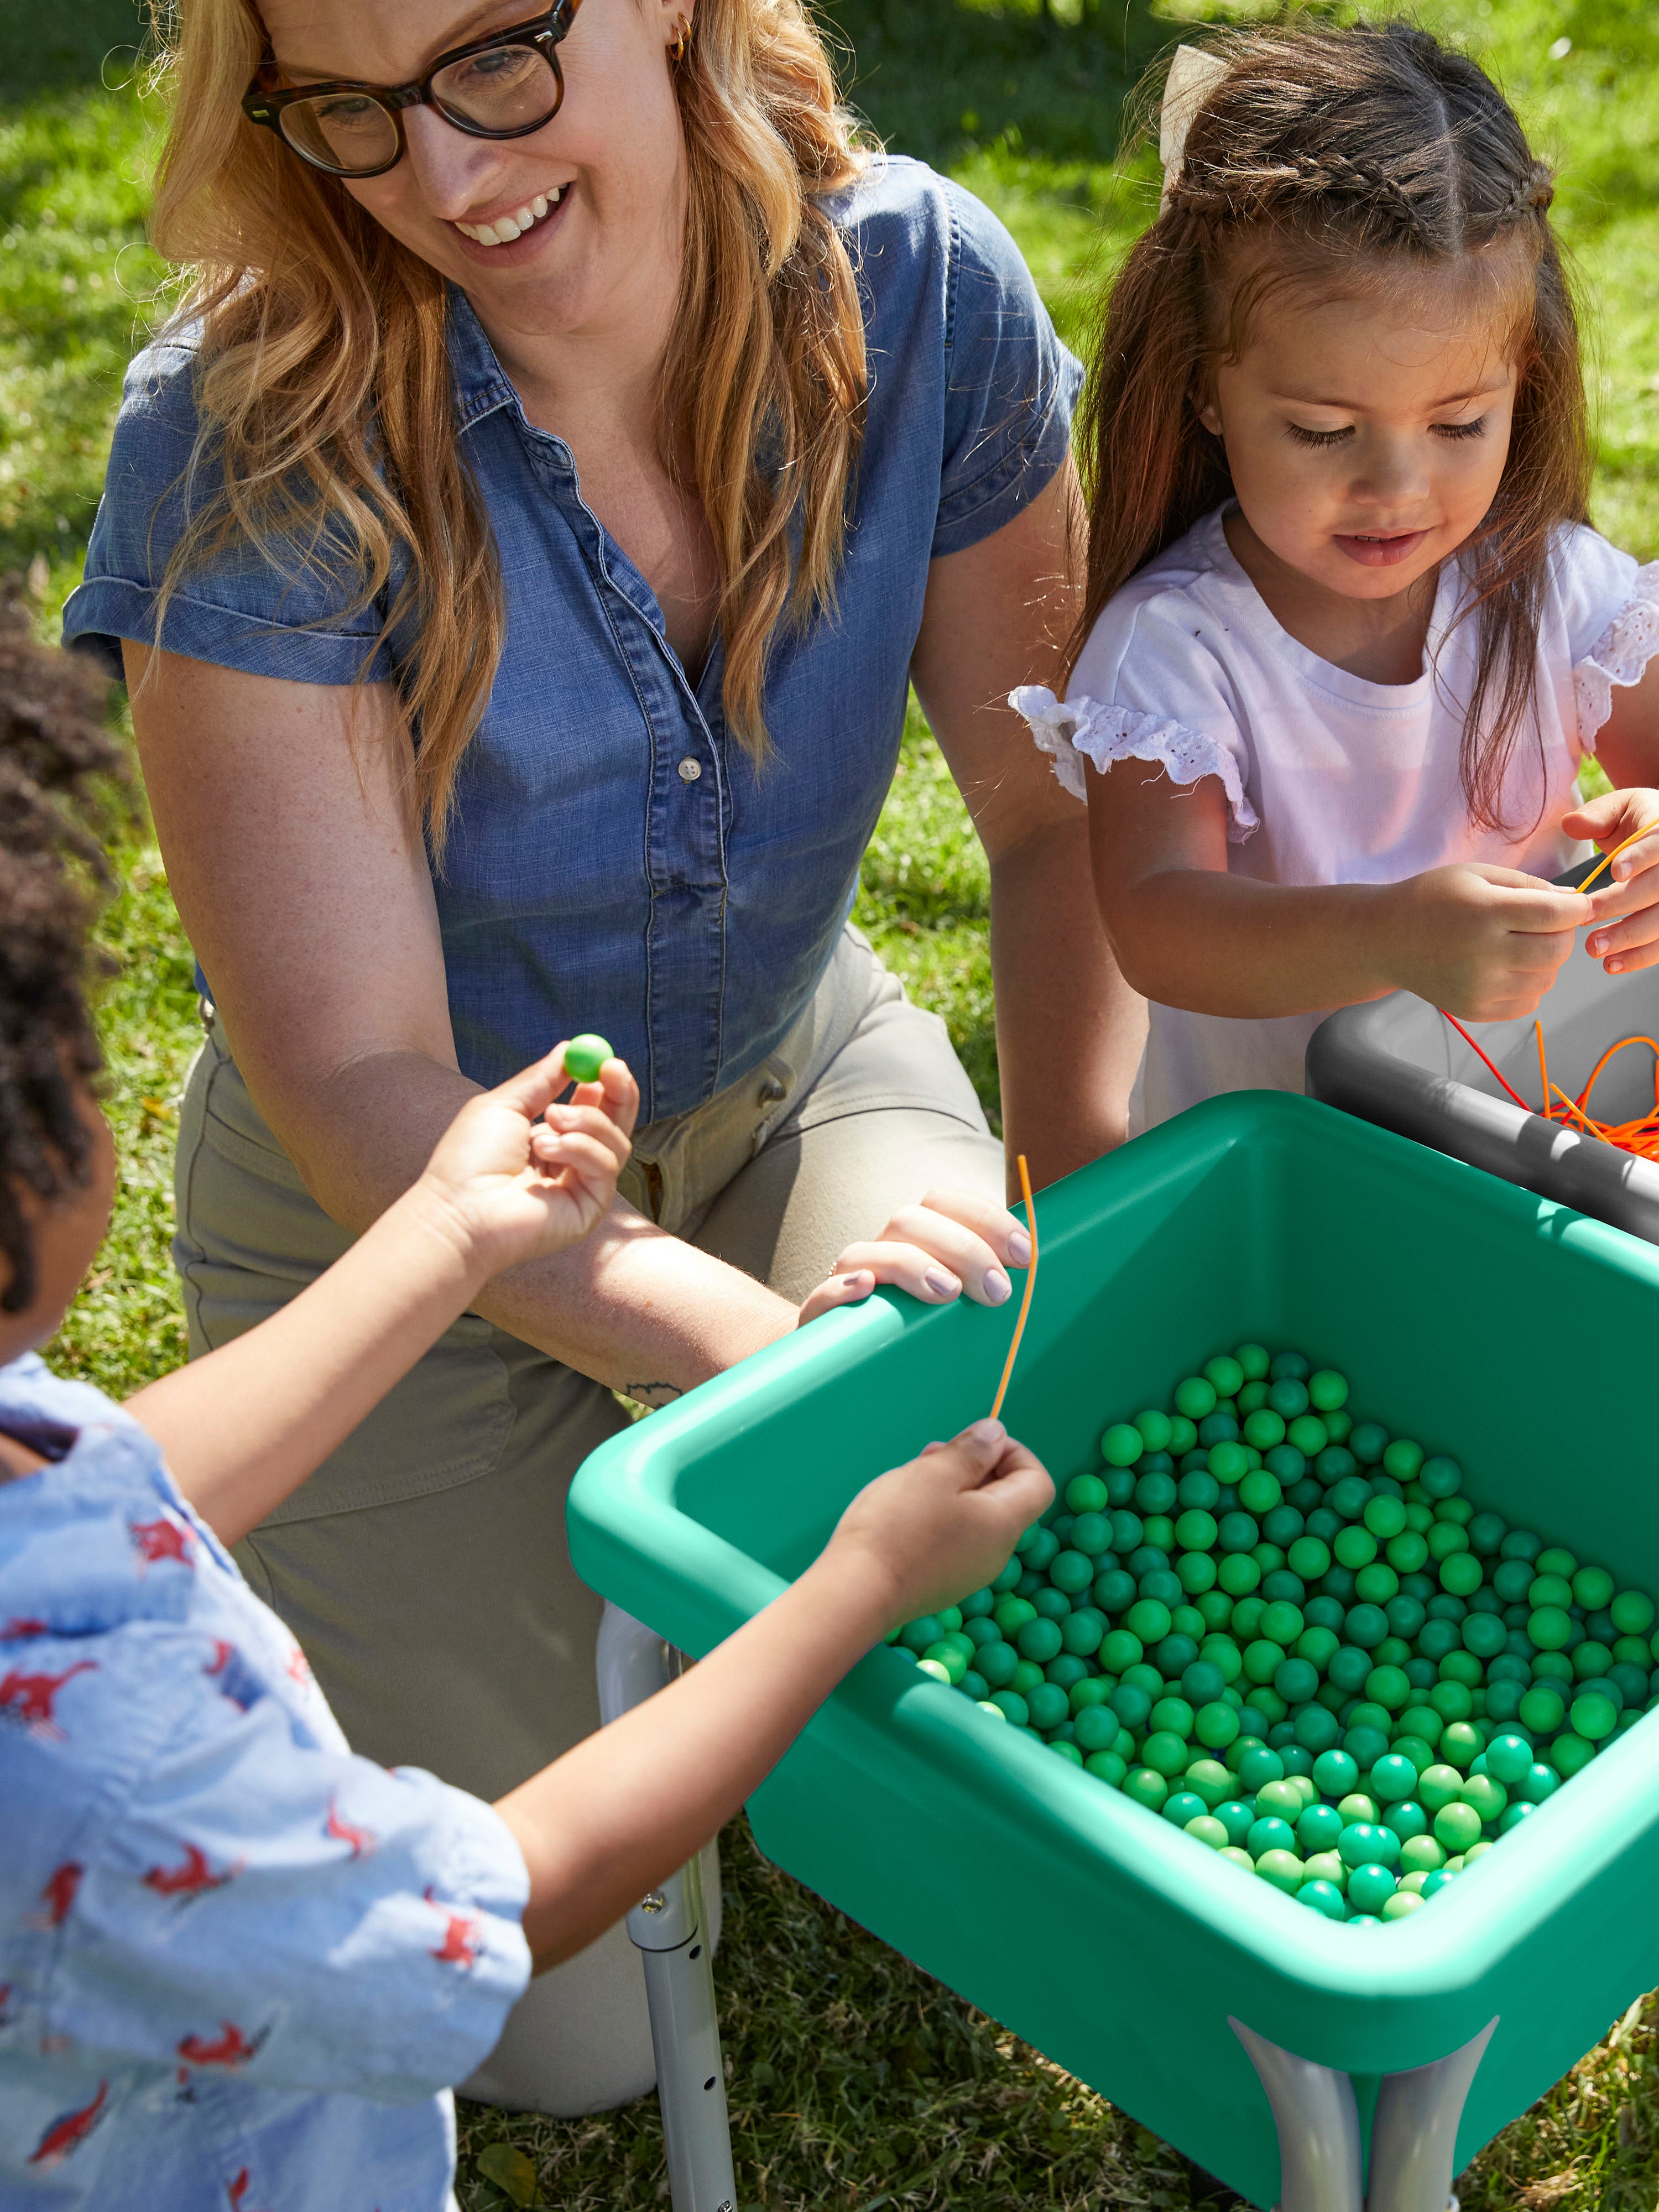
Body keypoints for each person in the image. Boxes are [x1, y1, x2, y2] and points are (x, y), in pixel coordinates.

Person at [61, 0, 1141, 2107]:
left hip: (783, 1078)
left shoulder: (923, 287)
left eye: (495, 59)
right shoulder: (243, 429)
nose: (447, 177)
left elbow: (1052, 818)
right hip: (394, 1225)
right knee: (567, 2039)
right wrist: (770, 1357)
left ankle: (714, 1616)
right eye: (350, 111)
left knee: (1011, 1568)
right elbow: (362, 1085)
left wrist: (1085, 1224)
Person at [0, 594, 1056, 2207]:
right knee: (581, 2029)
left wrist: (442, 1230)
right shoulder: (113, 1765)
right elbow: (493, 1899)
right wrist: (854, 1585)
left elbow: (117, 1480)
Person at [1013, 24, 1659, 1133]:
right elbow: (1159, 925)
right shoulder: (1177, 647)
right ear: (1206, 389)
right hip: (1287, 1171)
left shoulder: (1544, 585)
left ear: (1522, 381)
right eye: (1323, 431)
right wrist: (1388, 935)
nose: (1396, 487)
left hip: (1524, 1137)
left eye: (1458, 423)